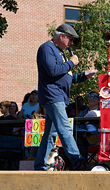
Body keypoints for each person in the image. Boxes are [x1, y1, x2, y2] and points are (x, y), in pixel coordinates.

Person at [34, 24, 96, 171]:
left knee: (50, 133)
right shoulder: (47, 48)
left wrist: (83, 76)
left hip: (57, 96)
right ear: (62, 36)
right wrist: (71, 62)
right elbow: (53, 71)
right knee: (65, 129)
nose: (72, 43)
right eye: (71, 39)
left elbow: (66, 76)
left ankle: (40, 165)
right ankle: (77, 161)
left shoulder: (58, 52)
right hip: (53, 96)